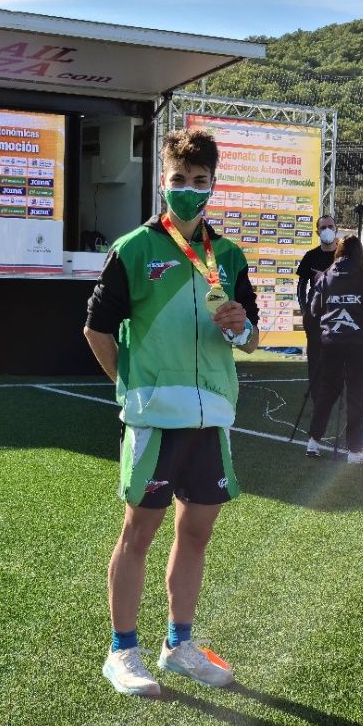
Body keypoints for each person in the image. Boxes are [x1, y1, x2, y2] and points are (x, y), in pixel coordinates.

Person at [84, 127, 259, 696]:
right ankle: (122, 651)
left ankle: (179, 645)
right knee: (139, 532)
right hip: (155, 419)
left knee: (198, 533)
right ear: (163, 181)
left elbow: (251, 336)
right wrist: (132, 386)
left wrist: (243, 328)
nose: (189, 189)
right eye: (179, 180)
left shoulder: (227, 255)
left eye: (200, 181)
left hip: (211, 418)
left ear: (213, 185)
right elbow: (96, 329)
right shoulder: (133, 249)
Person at [305, 235, 363, 463]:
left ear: (338, 251)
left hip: (331, 343)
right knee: (356, 396)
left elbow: (313, 309)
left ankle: (312, 443)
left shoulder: (327, 275)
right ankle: (354, 452)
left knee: (327, 394)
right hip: (357, 344)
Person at [296, 215, 338, 383]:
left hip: (339, 314)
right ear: (317, 232)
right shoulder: (310, 256)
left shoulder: (345, 257)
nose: (327, 230)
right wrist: (305, 310)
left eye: (330, 226)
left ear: (336, 229)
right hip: (315, 314)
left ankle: (342, 398)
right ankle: (316, 397)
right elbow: (301, 286)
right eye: (323, 227)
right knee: (315, 357)